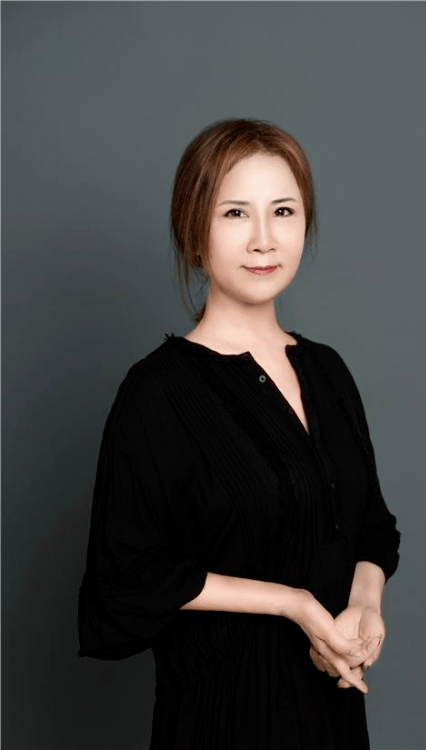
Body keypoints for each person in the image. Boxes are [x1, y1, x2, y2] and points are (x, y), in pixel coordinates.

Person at [77, 117, 401, 749]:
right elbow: (127, 576)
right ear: (193, 232)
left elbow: (372, 529)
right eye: (234, 214)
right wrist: (293, 604)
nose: (263, 239)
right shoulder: (157, 392)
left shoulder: (328, 371)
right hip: (221, 719)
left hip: (331, 720)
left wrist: (364, 606)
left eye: (283, 211)